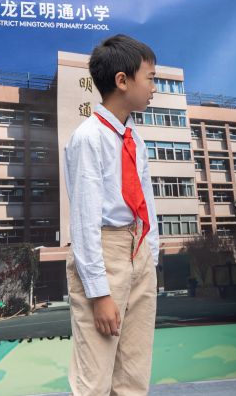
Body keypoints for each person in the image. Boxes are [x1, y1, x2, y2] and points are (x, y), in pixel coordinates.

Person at [64, 34, 159, 395]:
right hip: (104, 252)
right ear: (122, 81)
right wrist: (98, 292)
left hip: (138, 251)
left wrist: (151, 256)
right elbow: (84, 220)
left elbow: (147, 202)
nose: (154, 88)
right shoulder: (88, 137)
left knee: (134, 376)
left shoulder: (135, 138)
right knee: (95, 379)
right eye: (150, 78)